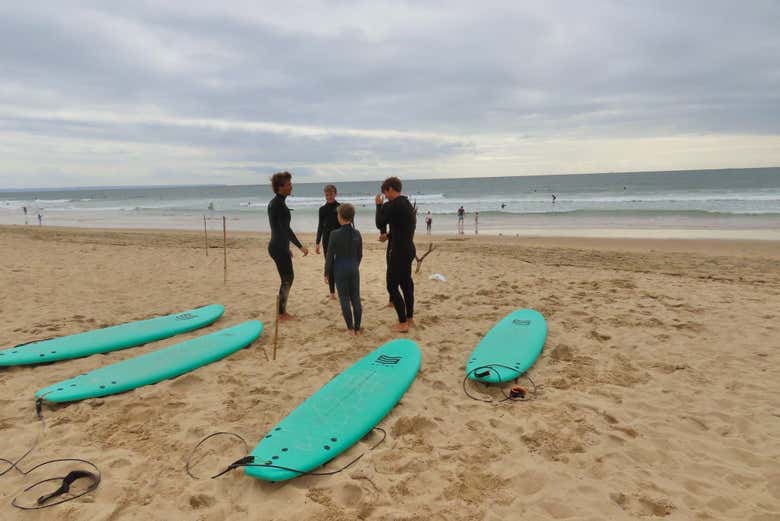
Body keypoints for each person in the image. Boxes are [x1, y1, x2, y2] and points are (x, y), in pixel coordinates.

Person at [375, 176, 416, 332]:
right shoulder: (406, 203)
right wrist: (388, 236)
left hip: (398, 251)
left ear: (390, 189)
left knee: (392, 285)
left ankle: (402, 322)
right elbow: (403, 228)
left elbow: (379, 223)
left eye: (385, 193)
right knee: (406, 283)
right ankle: (410, 318)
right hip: (408, 248)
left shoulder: (394, 204)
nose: (385, 197)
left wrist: (378, 206)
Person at [267, 171, 309, 321]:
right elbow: (285, 229)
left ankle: (281, 311)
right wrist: (300, 246)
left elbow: (279, 229)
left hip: (278, 245)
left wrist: (287, 247)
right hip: (278, 247)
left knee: (287, 278)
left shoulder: (277, 202)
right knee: (287, 278)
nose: (291, 186)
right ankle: (281, 313)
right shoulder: (278, 205)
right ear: (280, 187)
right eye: (289, 184)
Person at [324, 204, 362, 335]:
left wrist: (326, 272)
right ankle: (357, 327)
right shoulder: (357, 233)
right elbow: (360, 255)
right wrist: (355, 266)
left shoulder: (334, 234)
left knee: (344, 299)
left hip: (340, 268)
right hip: (354, 268)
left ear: (340, 217)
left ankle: (350, 329)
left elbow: (329, 255)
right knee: (356, 298)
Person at [315, 184, 341, 299]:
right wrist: (317, 243)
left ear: (335, 194)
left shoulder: (341, 207)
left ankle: (342, 290)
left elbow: (346, 224)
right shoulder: (322, 210)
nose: (329, 197)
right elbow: (320, 226)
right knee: (329, 266)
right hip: (327, 240)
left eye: (331, 194)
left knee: (340, 265)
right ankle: (332, 293)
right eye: (327, 195)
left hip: (339, 240)